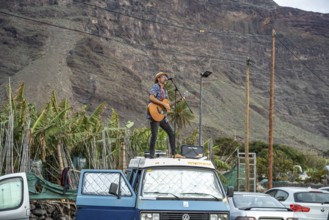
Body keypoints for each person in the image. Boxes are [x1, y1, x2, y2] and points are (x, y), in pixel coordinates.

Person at [147, 72, 184, 159]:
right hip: (154, 114)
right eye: (163, 77)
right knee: (154, 135)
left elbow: (166, 105)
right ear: (158, 79)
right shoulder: (156, 86)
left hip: (162, 116)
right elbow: (151, 97)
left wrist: (177, 101)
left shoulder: (165, 91)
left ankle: (174, 153)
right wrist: (162, 104)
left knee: (171, 133)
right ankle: (151, 156)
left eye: (166, 77)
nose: (165, 78)